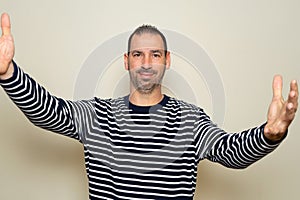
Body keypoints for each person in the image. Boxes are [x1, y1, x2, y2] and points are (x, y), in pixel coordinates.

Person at [0, 12, 298, 200]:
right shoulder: (96, 116)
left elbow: (230, 151)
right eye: (138, 54)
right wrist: (8, 73)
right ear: (126, 60)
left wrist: (269, 134)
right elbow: (48, 111)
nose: (146, 63)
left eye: (155, 54)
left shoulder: (190, 120)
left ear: (167, 60)